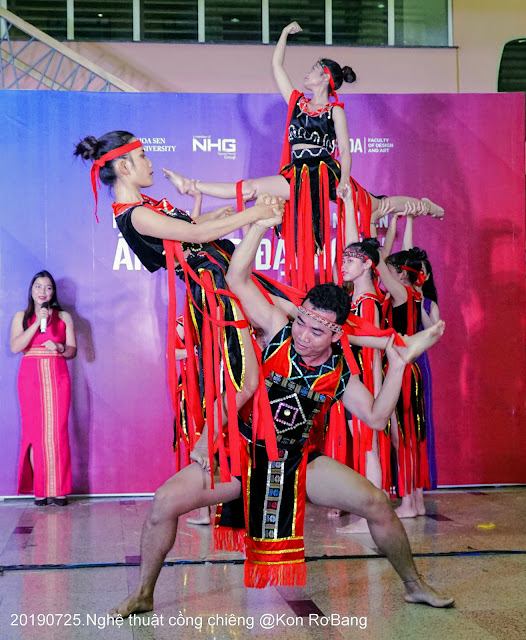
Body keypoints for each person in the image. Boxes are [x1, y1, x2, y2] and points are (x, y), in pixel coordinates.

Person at [109, 209, 452, 617]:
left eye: (317, 331)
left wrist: (396, 367)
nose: (303, 335)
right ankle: (143, 593)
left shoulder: (339, 374)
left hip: (298, 462)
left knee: (377, 503)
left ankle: (415, 586)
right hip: (242, 455)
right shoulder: (277, 329)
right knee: (164, 501)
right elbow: (237, 278)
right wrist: (257, 226)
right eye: (302, 322)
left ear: (337, 334)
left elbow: (377, 418)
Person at [75, 131, 297, 482]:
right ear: (124, 167)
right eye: (143, 157)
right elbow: (194, 236)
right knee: (247, 380)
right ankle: (205, 445)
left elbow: (190, 227)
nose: (150, 163)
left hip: (227, 274)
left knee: (292, 315)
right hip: (215, 290)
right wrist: (255, 213)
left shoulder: (145, 207)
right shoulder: (136, 215)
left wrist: (221, 215)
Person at [162, 22, 444, 291]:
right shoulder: (297, 102)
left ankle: (425, 206)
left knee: (377, 206)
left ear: (325, 77)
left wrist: (345, 180)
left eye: (312, 70)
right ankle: (192, 185)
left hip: (326, 173)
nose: (306, 74)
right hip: (297, 174)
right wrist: (284, 33)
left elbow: (345, 150)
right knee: (249, 188)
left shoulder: (335, 111)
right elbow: (277, 66)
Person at [10, 271, 77, 506]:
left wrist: (59, 347)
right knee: (34, 432)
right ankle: (40, 490)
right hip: (30, 379)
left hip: (58, 376)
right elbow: (15, 347)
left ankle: (59, 490)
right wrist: (37, 323)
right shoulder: (21, 316)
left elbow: (73, 350)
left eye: (48, 288)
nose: (43, 291)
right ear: (31, 290)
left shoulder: (64, 317)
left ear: (53, 292)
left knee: (58, 431)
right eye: (38, 286)